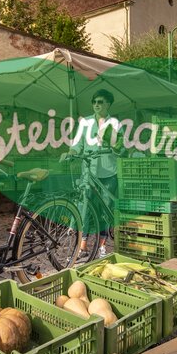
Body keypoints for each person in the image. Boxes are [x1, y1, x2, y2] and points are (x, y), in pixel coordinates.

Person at [60, 88, 119, 260]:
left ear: (108, 104)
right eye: (94, 102)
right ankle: (83, 247)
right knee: (84, 208)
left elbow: (118, 146)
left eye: (100, 102)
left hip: (108, 172)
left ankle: (101, 246)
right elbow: (77, 144)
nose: (96, 105)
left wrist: (112, 144)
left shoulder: (114, 123)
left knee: (104, 210)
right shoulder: (85, 122)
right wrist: (70, 153)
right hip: (88, 171)